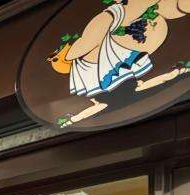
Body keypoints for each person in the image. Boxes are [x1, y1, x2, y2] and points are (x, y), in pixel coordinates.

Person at [48, 0, 189, 126]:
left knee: (142, 85)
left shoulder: (98, 94)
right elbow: (85, 42)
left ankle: (180, 71)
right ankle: (180, 71)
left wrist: (72, 120)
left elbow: (85, 43)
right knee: (142, 85)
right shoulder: (110, 16)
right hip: (111, 71)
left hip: (111, 75)